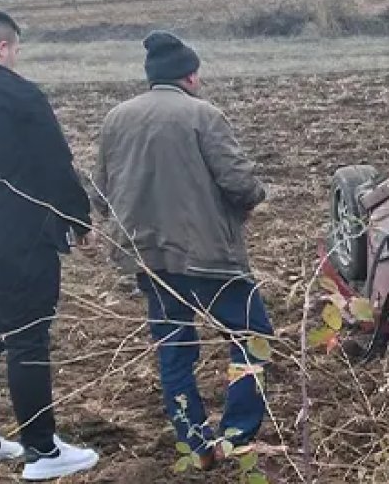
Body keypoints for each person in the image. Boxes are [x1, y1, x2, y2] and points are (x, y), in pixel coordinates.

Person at [93, 31, 272, 469]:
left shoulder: (117, 118)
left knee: (173, 346)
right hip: (207, 255)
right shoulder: (203, 115)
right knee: (251, 337)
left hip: (149, 258)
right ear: (190, 76)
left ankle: (195, 442)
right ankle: (238, 436)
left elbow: (101, 193)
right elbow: (240, 184)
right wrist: (252, 198)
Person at [0, 8, 101, 480]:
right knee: (27, 341)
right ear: (4, 46)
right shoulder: (19, 94)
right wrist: (78, 219)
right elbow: (55, 164)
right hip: (19, 242)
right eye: (16, 50)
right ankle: (42, 452)